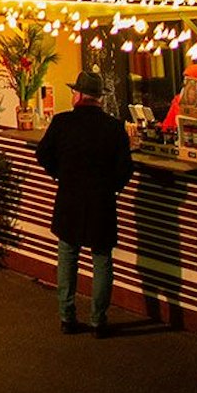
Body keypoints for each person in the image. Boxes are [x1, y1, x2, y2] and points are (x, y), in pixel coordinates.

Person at [34, 71, 135, 337]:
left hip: (69, 198)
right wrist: (111, 187)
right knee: (102, 259)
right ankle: (98, 320)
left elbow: (42, 154)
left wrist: (59, 174)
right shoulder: (114, 127)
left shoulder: (62, 122)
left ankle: (67, 317)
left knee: (68, 255)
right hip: (102, 201)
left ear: (78, 95)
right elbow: (126, 168)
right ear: (99, 98)